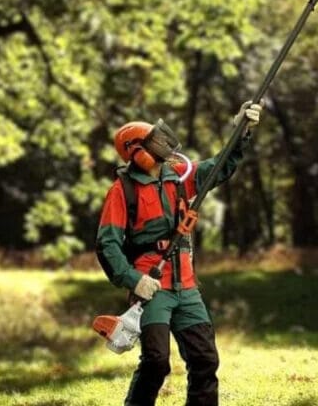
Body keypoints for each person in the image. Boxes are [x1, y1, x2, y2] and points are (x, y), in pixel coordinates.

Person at [96, 100, 263, 406]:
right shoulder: (122, 190)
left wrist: (241, 131)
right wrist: (133, 280)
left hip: (186, 287)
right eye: (153, 140)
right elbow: (107, 244)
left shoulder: (180, 174)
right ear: (137, 151)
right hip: (152, 288)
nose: (163, 142)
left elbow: (219, 167)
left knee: (204, 360)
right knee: (156, 362)